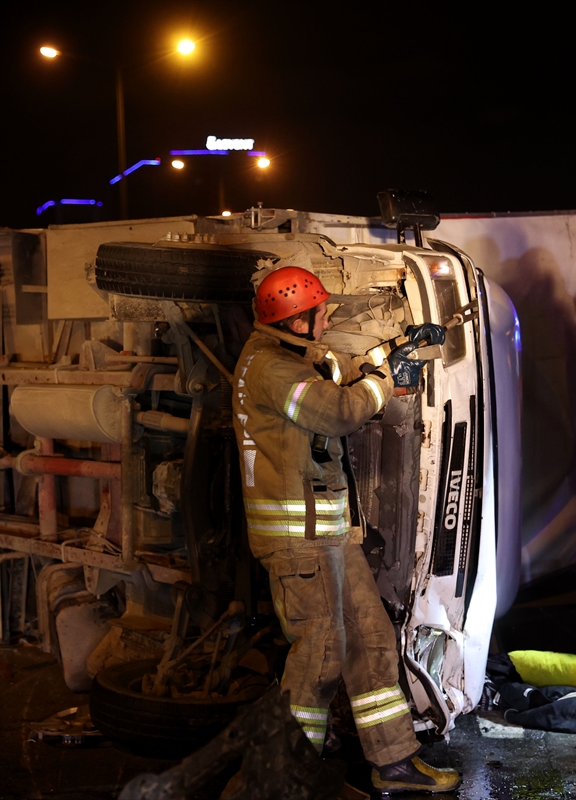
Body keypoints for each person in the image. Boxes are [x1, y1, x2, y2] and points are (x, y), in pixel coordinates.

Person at [232, 266, 459, 794]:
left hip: (329, 535)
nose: (328, 315)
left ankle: (395, 764)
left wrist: (392, 354)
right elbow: (336, 411)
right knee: (319, 656)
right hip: (298, 545)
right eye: (321, 310)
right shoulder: (269, 369)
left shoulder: (289, 359)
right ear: (297, 318)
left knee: (370, 640)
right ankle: (283, 777)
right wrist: (385, 383)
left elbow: (336, 374)